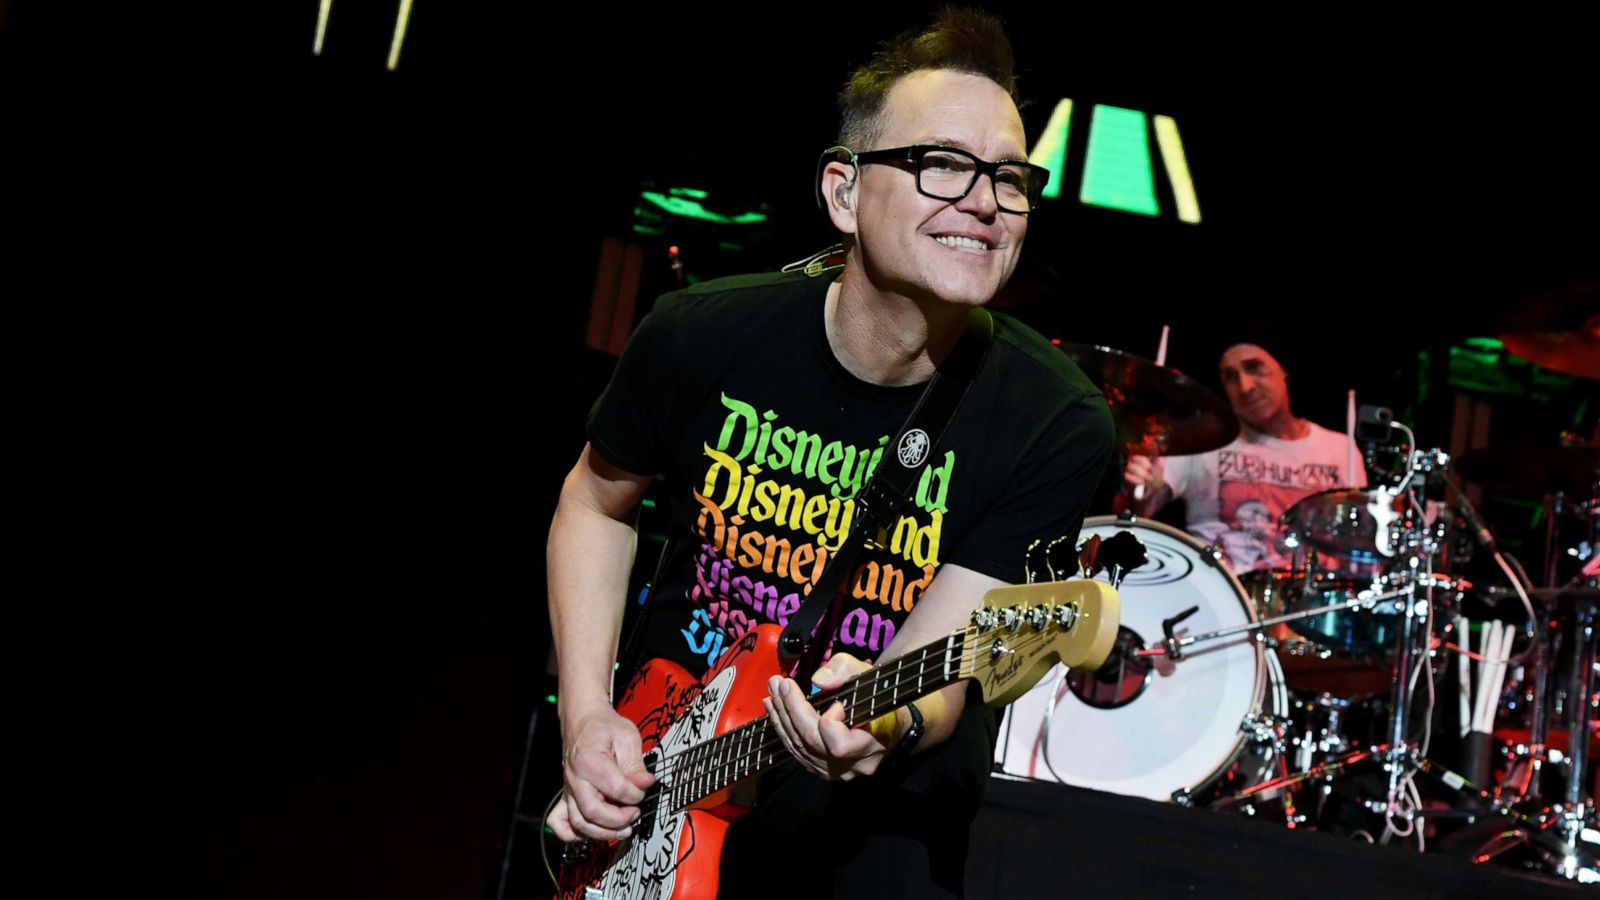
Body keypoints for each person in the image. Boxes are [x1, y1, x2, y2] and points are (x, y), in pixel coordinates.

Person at [544, 8, 1112, 896]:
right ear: (844, 192)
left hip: (872, 831)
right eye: (941, 164)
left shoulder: (1052, 418)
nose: (985, 200)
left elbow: (946, 665)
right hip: (662, 766)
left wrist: (885, 720)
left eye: (1010, 177)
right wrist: (585, 718)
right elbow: (594, 502)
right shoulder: (703, 336)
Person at [1124, 342, 1366, 574]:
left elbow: (1360, 542)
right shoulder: (1202, 439)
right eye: (1230, 376)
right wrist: (1141, 494)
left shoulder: (1339, 449)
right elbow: (1133, 514)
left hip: (1309, 603)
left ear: (1283, 368)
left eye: (1254, 368)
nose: (1245, 386)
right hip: (1219, 596)